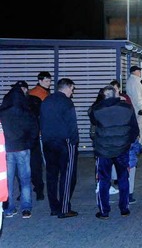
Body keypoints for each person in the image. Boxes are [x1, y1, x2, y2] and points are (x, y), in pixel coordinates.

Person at [89, 84, 139, 219]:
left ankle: (104, 211)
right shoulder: (127, 108)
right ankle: (124, 208)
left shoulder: (97, 109)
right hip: (122, 149)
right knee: (123, 178)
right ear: (116, 95)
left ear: (103, 96)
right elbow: (135, 130)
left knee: (103, 180)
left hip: (103, 151)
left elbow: (93, 122)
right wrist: (128, 142)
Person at [39, 77, 79, 218]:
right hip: (65, 142)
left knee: (51, 175)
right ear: (67, 87)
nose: (72, 93)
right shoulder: (67, 102)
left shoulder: (46, 101)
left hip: (48, 142)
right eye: (72, 89)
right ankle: (64, 208)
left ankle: (54, 207)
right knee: (67, 175)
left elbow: (41, 121)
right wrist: (74, 142)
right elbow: (72, 125)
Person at [0, 81, 38, 219]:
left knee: (8, 180)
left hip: (7, 149)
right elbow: (34, 128)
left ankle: (9, 208)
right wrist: (30, 143)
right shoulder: (25, 109)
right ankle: (26, 208)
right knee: (25, 179)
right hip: (23, 148)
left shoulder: (3, 111)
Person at [27, 71, 51, 201]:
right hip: (41, 131)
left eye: (50, 81)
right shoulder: (40, 94)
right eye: (47, 81)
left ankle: (38, 184)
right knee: (43, 159)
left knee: (35, 161)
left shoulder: (33, 92)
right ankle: (45, 182)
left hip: (35, 131)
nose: (49, 83)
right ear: (40, 81)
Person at [126, 65, 142, 148]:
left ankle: (138, 145)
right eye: (138, 71)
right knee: (139, 128)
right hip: (138, 109)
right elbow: (137, 97)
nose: (140, 72)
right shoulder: (135, 82)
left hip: (136, 108)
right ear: (134, 72)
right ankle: (138, 146)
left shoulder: (133, 81)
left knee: (138, 127)